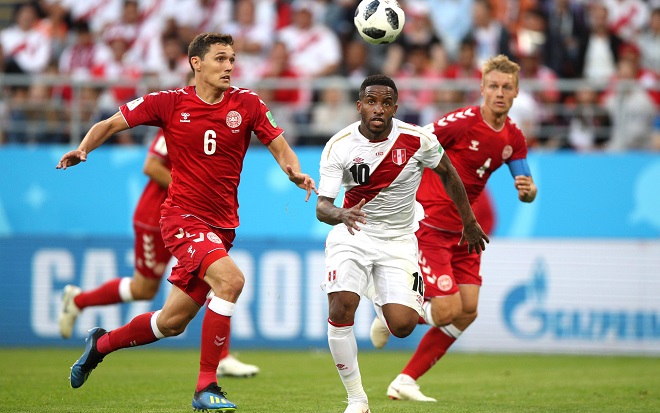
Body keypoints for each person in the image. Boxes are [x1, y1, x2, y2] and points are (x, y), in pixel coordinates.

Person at [56, 33, 317, 412]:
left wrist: (294, 172)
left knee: (171, 322)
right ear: (196, 62)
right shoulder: (169, 103)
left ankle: (101, 344)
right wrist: (83, 148)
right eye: (220, 58)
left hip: (222, 226)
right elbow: (110, 124)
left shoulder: (248, 104)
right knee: (231, 281)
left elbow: (279, 145)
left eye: (232, 59)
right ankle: (206, 386)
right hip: (182, 218)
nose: (229, 66)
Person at [316, 74, 489, 413]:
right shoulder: (340, 145)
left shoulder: (418, 139)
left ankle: (379, 299)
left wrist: (469, 221)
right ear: (359, 106)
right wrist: (341, 214)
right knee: (341, 307)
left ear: (395, 108)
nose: (378, 109)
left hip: (398, 241)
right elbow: (322, 207)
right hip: (354, 233)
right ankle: (357, 400)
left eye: (386, 103)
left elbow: (448, 172)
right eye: (371, 102)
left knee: (403, 325)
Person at [369, 54, 538, 402]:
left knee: (468, 310)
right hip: (431, 225)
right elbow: (416, 142)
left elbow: (527, 186)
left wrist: (529, 191)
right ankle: (391, 313)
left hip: (466, 232)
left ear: (516, 92)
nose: (500, 93)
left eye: (507, 87)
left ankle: (405, 380)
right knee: (447, 310)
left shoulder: (514, 137)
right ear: (482, 89)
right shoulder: (462, 122)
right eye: (493, 86)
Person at [58, 127, 260, 378]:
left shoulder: (213, 125)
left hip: (195, 221)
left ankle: (221, 358)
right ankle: (80, 301)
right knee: (144, 290)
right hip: (157, 219)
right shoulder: (178, 120)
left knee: (215, 278)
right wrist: (194, 190)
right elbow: (152, 166)